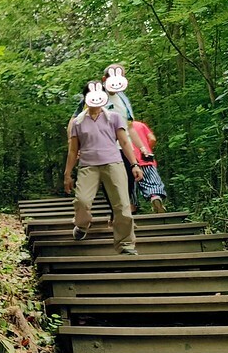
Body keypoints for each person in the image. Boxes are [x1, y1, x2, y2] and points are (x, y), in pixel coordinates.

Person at [64, 81, 144, 255]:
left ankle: (126, 245)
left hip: (113, 163)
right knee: (82, 201)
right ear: (86, 98)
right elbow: (73, 150)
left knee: (122, 205)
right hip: (88, 165)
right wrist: (67, 174)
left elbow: (124, 142)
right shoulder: (78, 122)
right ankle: (82, 224)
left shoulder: (114, 117)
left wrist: (135, 164)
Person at [67, 64, 148, 212]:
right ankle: (115, 214)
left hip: (124, 145)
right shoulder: (93, 96)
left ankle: (120, 216)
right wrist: (73, 144)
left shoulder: (123, 99)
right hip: (100, 148)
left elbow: (130, 126)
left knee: (128, 180)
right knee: (109, 184)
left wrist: (142, 147)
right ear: (105, 79)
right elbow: (74, 121)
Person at [131, 120, 167, 212]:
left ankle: (132, 206)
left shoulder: (120, 125)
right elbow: (152, 139)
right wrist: (147, 148)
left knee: (130, 186)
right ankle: (155, 197)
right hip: (145, 158)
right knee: (152, 182)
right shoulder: (140, 125)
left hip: (129, 159)